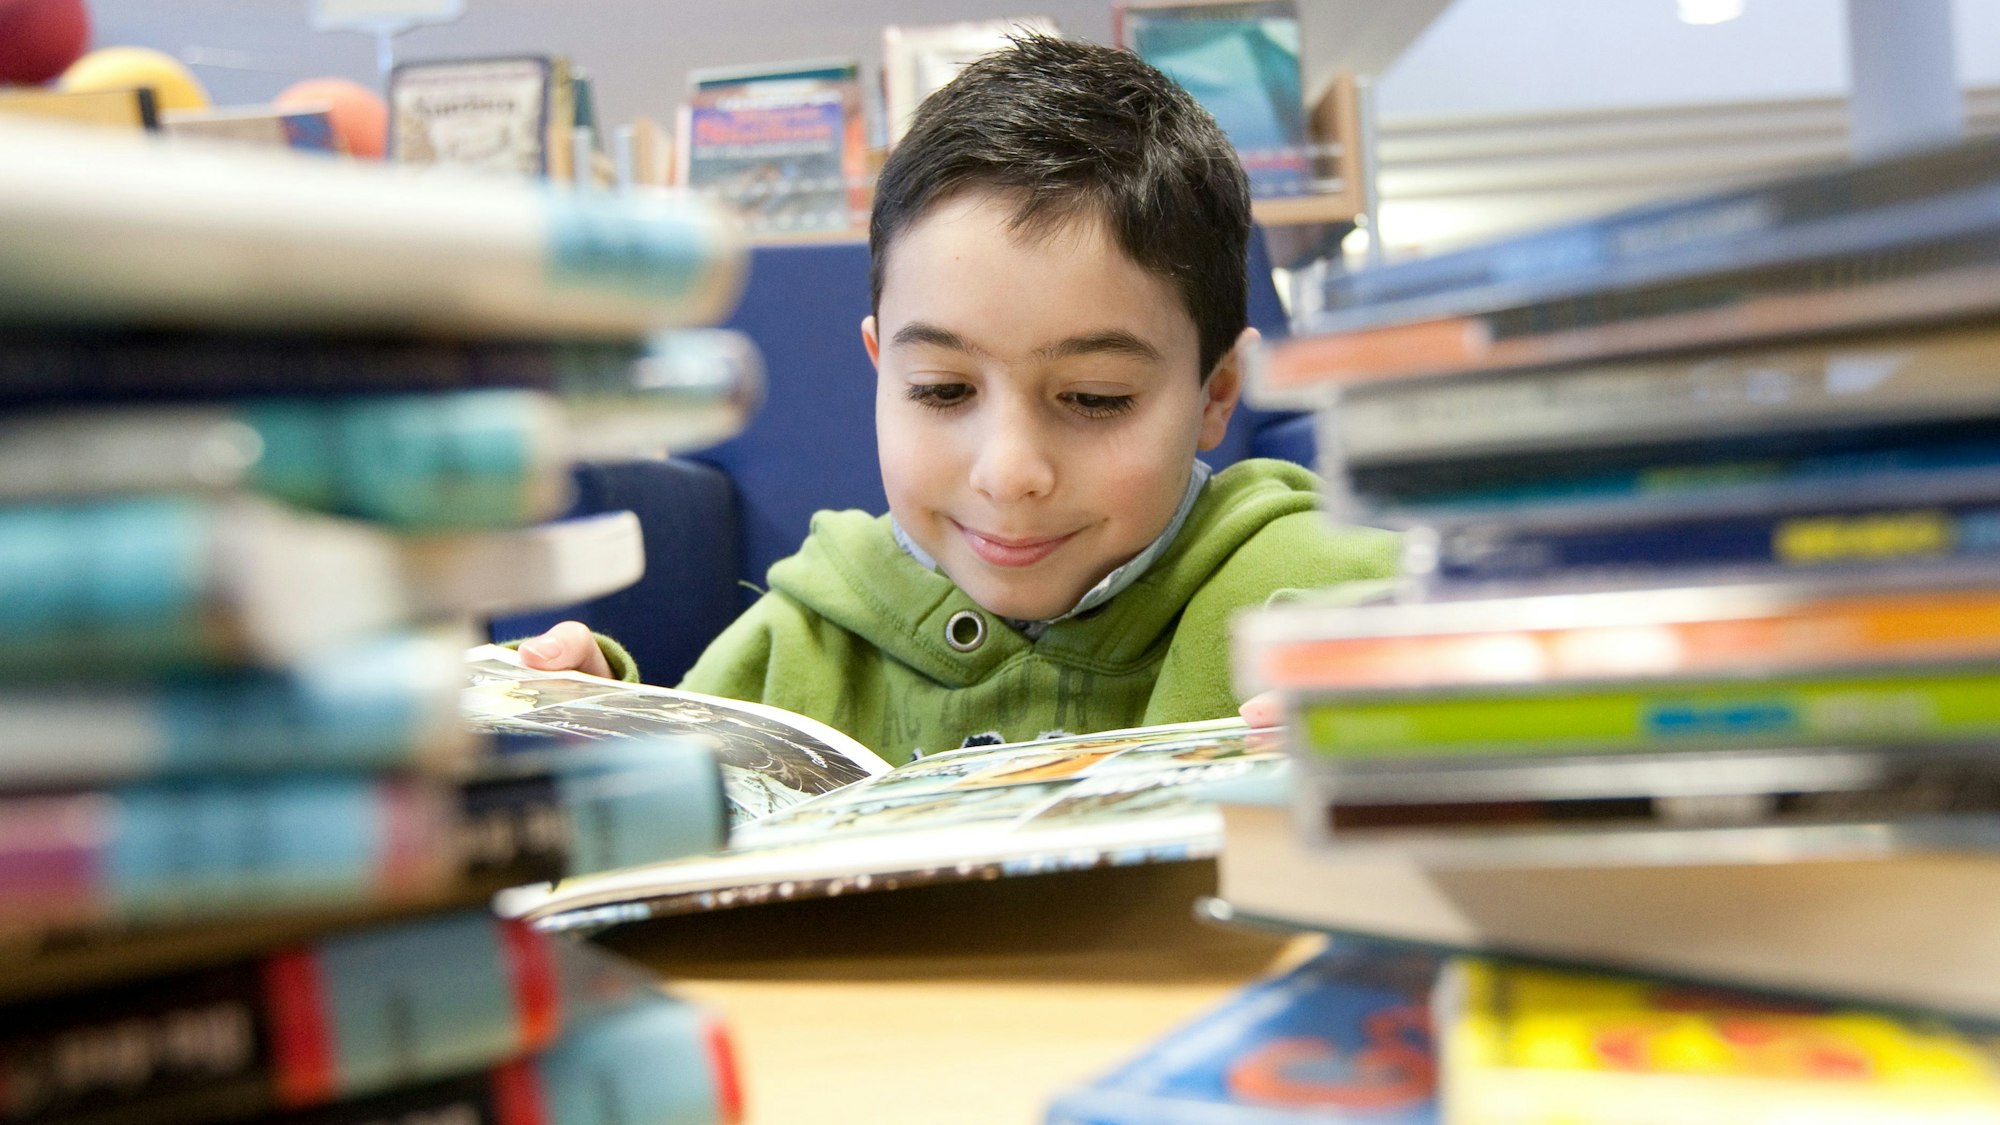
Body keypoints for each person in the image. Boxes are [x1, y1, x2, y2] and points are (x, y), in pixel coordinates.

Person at [515, 34, 1396, 764]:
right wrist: (604, 720)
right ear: (878, 369)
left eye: (1093, 397)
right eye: (941, 390)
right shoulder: (801, 643)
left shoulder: (1328, 589)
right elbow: (677, 812)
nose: (1009, 472)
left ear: (1218, 394)